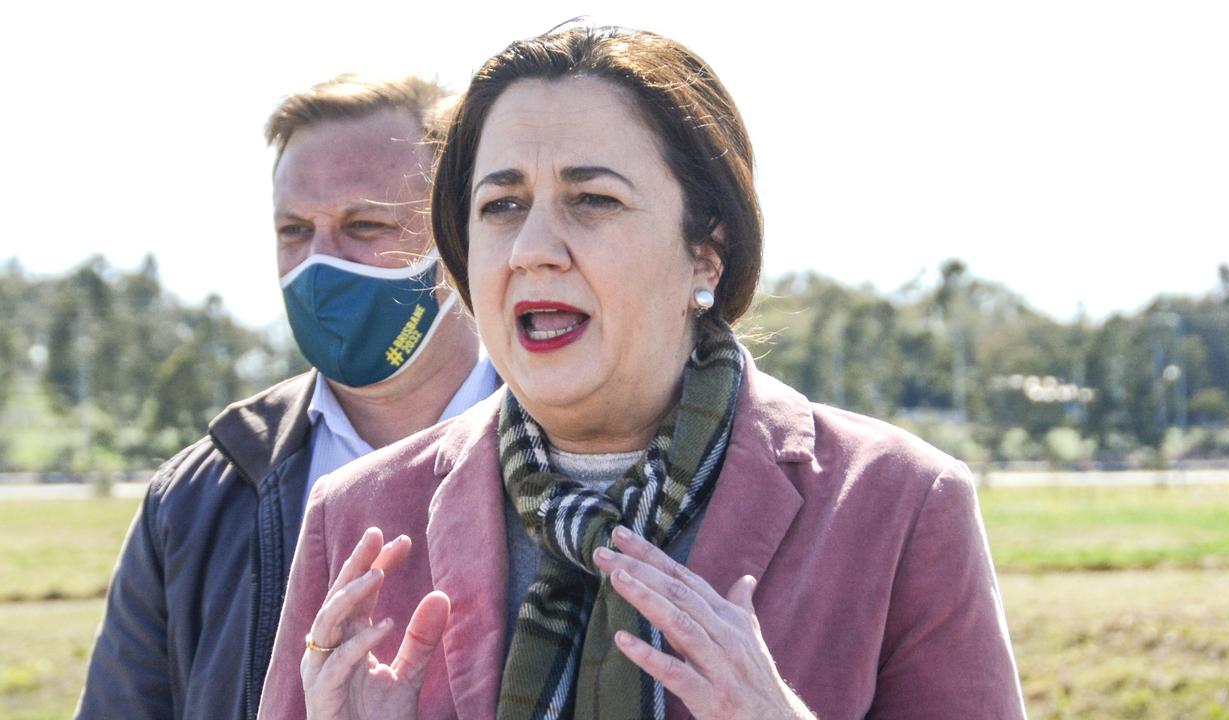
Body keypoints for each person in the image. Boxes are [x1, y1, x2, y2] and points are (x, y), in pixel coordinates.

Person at [260, 25, 1026, 720]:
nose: (534, 246)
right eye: (500, 205)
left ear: (707, 251)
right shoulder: (357, 516)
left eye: (592, 200)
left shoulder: (899, 505)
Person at [75, 74, 500, 720]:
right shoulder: (195, 503)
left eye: (363, 225)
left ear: (456, 233)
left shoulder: (577, 455)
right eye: (294, 231)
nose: (318, 265)